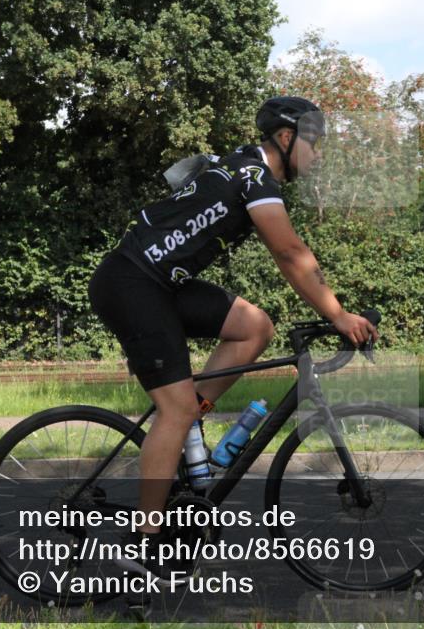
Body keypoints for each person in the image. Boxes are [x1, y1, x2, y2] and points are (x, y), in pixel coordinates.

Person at [87, 96, 379, 573]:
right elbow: (289, 253)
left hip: (161, 283)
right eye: (314, 143)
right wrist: (339, 314)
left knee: (254, 327)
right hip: (133, 284)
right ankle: (143, 543)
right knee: (174, 409)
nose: (318, 155)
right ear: (286, 139)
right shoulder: (253, 177)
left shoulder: (243, 165)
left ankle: (188, 426)